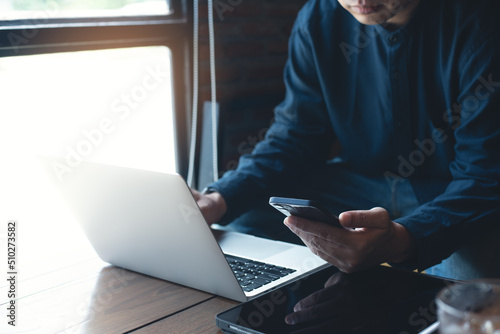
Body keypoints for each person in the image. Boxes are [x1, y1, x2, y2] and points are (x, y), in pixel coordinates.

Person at [192, 0, 500, 281]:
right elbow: (294, 137)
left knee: (468, 275)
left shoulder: (482, 22)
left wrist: (404, 240)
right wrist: (218, 199)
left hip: (453, 191)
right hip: (359, 185)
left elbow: (485, 177)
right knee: (243, 220)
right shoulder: (318, 20)